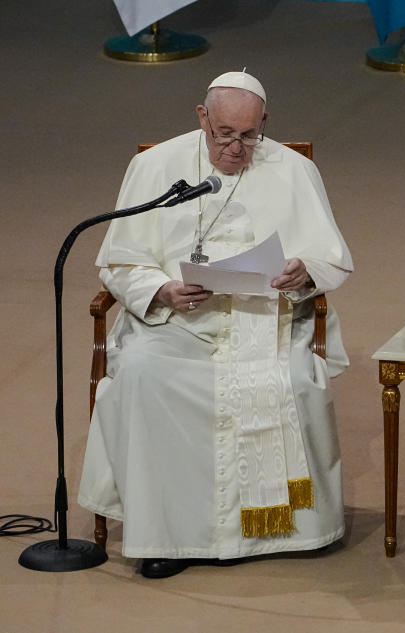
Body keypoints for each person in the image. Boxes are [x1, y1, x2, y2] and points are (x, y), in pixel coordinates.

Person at [78, 71, 353, 579]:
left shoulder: (293, 170)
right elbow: (119, 261)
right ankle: (165, 536)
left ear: (264, 124)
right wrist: (161, 289)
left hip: (266, 323)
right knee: (142, 372)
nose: (237, 147)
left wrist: (304, 271)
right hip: (176, 326)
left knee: (289, 379)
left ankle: (272, 530)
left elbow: (330, 257)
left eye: (249, 136)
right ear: (202, 118)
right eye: (224, 134)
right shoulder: (154, 166)